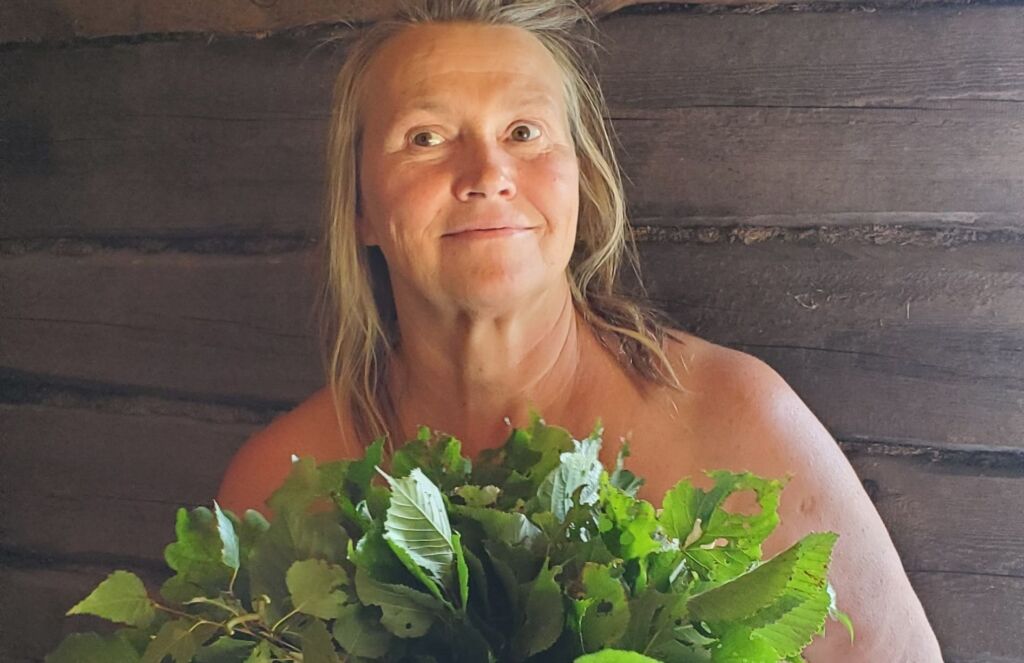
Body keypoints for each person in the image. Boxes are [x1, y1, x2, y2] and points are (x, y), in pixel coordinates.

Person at [217, 0, 942, 659]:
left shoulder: (735, 423)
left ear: (582, 182)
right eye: (426, 137)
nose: (488, 172)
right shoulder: (277, 489)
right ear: (360, 208)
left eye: (524, 131)